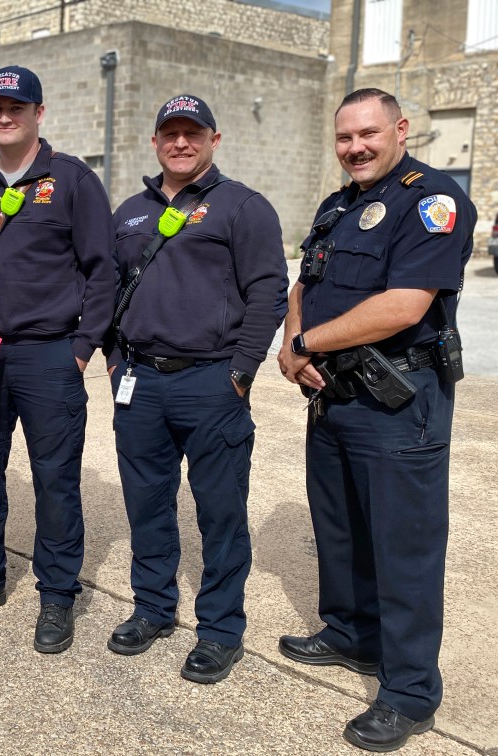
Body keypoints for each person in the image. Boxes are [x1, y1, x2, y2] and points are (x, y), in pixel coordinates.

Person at [277, 88, 475, 751]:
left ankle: (410, 692)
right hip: (334, 395)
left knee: (404, 549)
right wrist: (294, 345)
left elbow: (403, 306)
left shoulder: (432, 201)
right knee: (340, 529)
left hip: (399, 402)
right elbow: (304, 283)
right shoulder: (339, 205)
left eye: (368, 134)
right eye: (345, 137)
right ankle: (350, 633)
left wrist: (305, 343)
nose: (355, 147)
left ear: (401, 129)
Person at [0, 65, 117, 654]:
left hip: (48, 354)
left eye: (17, 107)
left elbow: (102, 271)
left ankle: (57, 594)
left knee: (55, 479)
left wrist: (81, 350)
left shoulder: (73, 180)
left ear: (39, 113)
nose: (5, 117)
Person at [104, 94, 287, 683]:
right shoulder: (130, 212)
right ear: (155, 142)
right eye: (170, 134)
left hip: (211, 382)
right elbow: (107, 291)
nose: (180, 143)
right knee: (147, 505)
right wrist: (114, 361)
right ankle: (153, 608)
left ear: (214, 140)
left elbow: (269, 293)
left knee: (221, 511)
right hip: (139, 382)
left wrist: (241, 371)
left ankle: (220, 630)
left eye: (193, 133)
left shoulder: (243, 207)